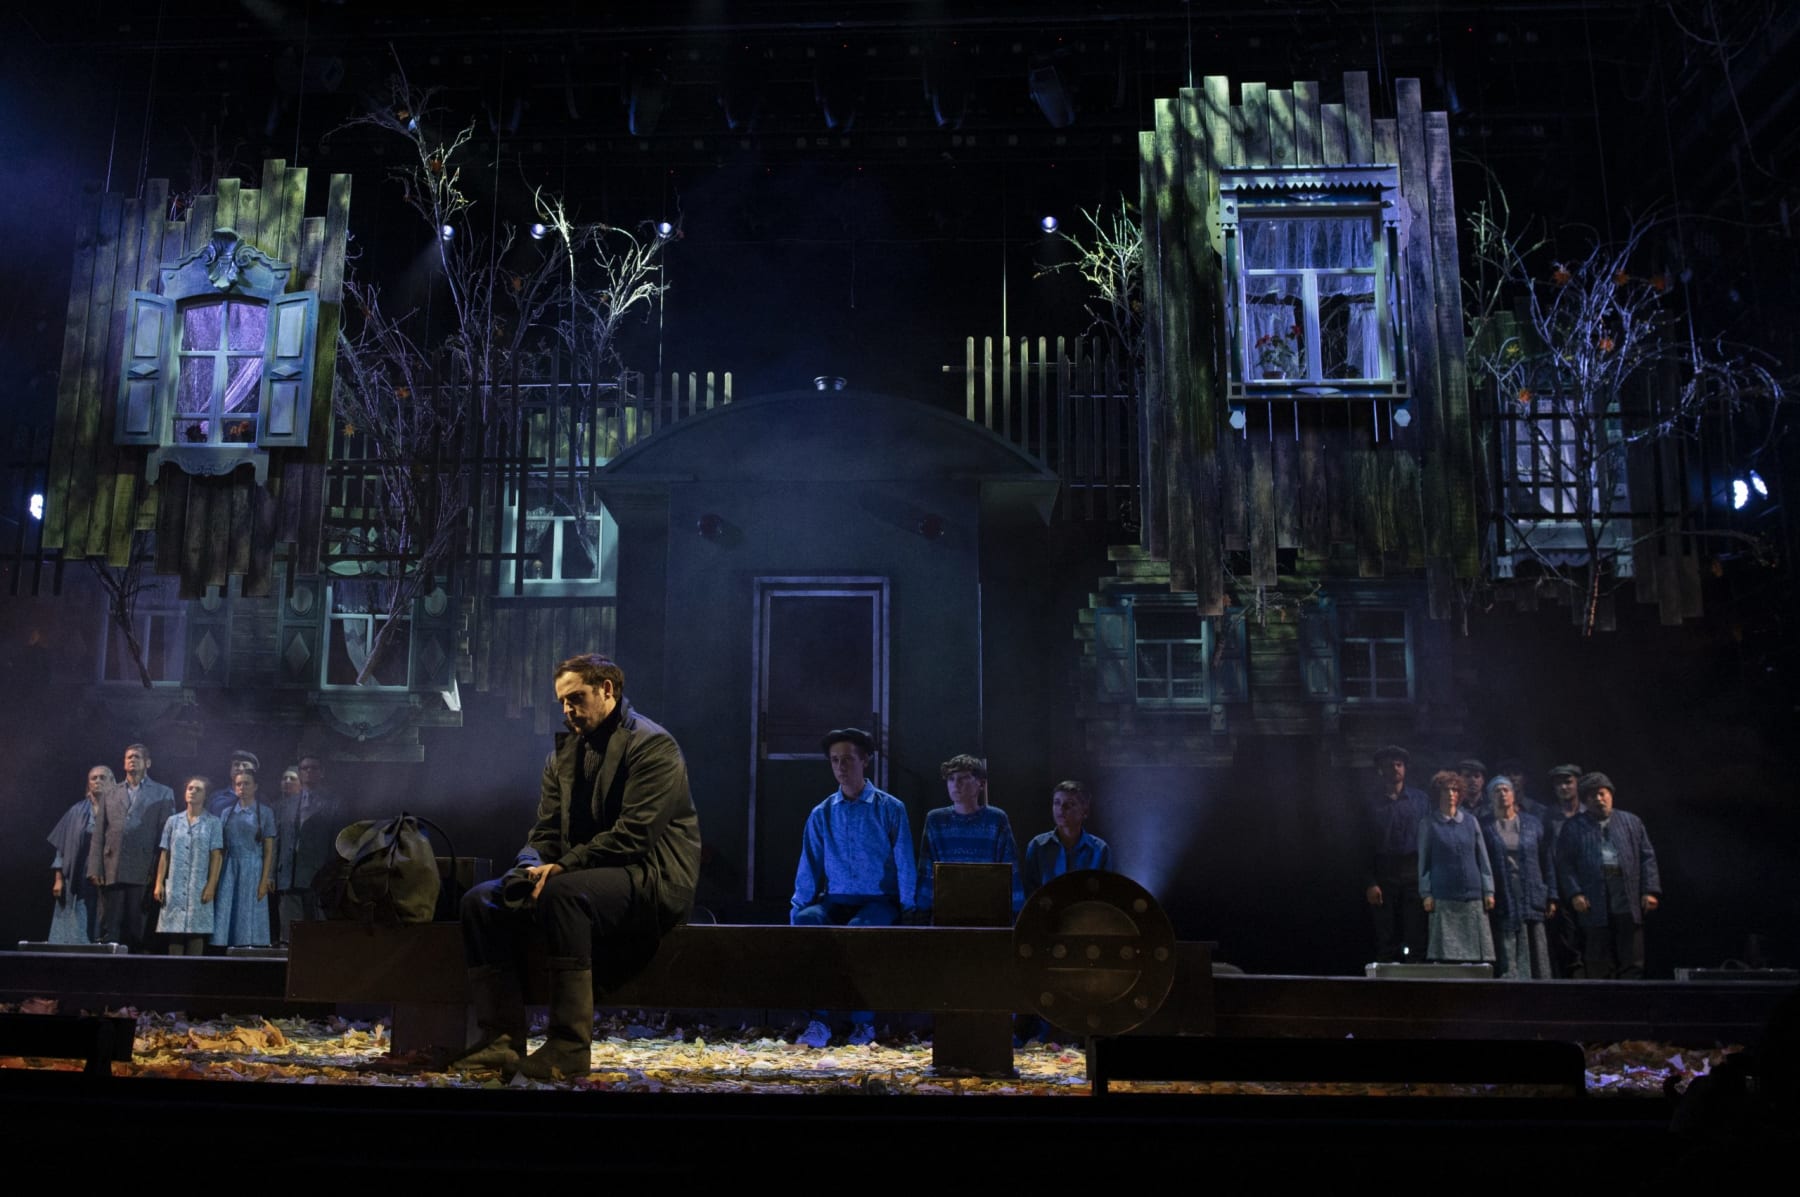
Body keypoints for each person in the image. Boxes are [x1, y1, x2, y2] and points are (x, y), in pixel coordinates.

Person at [458, 653, 702, 1080]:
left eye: (576, 698)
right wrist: (527, 868)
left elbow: (634, 835)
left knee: (563, 894)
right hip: (585, 875)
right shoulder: (564, 754)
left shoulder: (652, 745)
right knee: (480, 902)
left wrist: (562, 868)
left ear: (607, 690)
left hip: (653, 877)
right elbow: (546, 830)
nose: (568, 710)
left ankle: (569, 1046)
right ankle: (500, 1041)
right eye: (562, 702)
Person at [790, 728, 916, 927]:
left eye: (847, 759)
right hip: (835, 899)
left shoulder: (890, 808)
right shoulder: (822, 813)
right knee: (806, 919)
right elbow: (809, 865)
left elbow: (905, 863)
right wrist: (797, 909)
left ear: (864, 760)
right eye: (835, 760)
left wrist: (909, 908)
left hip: (879, 900)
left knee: (859, 928)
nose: (841, 767)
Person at [1555, 771, 1661, 979]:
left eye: (1602, 793)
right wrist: (1575, 893)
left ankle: (1631, 994)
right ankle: (1603, 996)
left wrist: (1650, 890)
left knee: (1632, 958)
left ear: (1611, 794)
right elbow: (1565, 865)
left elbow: (1647, 857)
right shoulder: (1573, 826)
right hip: (1593, 898)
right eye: (1592, 796)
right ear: (1585, 801)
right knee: (1598, 959)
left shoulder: (1631, 822)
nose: (1598, 799)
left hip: (1626, 895)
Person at [914, 755, 1025, 919]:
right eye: (951, 779)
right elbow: (926, 871)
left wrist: (1016, 914)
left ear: (981, 783)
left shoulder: (995, 820)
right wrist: (922, 914)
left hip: (989, 910)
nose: (955, 784)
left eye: (963, 778)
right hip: (946, 910)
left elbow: (1011, 869)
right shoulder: (936, 820)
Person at [89, 743, 176, 949]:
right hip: (113, 867)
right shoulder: (111, 793)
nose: (132, 760)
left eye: (137, 757)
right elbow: (99, 833)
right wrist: (95, 868)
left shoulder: (163, 792)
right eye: (128, 757)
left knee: (137, 928)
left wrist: (160, 874)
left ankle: (137, 964)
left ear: (148, 763)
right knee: (111, 926)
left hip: (143, 868)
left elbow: (166, 838)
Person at [1478, 776, 1555, 979]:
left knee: (1535, 943)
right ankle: (1511, 982)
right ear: (1490, 797)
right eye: (1497, 791)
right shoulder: (1484, 827)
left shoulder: (1532, 823)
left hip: (1531, 890)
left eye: (1506, 790)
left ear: (1513, 794)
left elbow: (1546, 860)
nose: (1502, 794)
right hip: (1503, 891)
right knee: (1507, 940)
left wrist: (1552, 895)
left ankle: (1539, 985)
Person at [1418, 769, 1495, 964]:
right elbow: (1424, 862)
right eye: (1446, 790)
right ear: (1438, 793)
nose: (1451, 794)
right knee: (1447, 956)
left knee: (1476, 956)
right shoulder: (1429, 823)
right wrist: (1426, 893)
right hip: (1444, 896)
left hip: (1472, 895)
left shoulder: (1470, 821)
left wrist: (1488, 891)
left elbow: (1483, 858)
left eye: (1455, 790)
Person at [1361, 745, 1429, 963]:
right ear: (1381, 769)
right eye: (1390, 765)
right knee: (1386, 935)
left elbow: (1429, 839)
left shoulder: (1420, 800)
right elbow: (1363, 844)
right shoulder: (1370, 802)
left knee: (1416, 933)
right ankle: (1386, 980)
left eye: (1399, 765)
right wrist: (1370, 882)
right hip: (1384, 871)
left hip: (1413, 869)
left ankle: (1416, 978)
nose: (1395, 769)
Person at [272, 755, 338, 944]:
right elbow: (278, 840)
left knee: (316, 931)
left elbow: (335, 840)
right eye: (304, 768)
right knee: (289, 934)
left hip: (317, 874)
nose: (308, 771)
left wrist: (331, 873)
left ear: (322, 772)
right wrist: (272, 874)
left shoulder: (333, 803)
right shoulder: (286, 804)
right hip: (289, 874)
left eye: (313, 768)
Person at [154, 776, 223, 955]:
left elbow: (216, 856)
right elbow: (165, 854)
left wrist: (211, 885)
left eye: (198, 789)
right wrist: (159, 883)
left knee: (196, 933)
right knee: (174, 934)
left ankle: (194, 970)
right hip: (175, 884)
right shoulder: (173, 821)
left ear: (205, 795)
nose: (192, 792)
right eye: (190, 788)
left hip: (198, 885)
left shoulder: (213, 822)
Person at [210, 768, 276, 949]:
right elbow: (220, 848)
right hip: (230, 868)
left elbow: (269, 850)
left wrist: (264, 880)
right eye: (238, 784)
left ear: (255, 786)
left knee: (248, 910)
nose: (242, 787)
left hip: (253, 868)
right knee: (227, 909)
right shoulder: (226, 813)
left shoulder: (265, 813)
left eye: (246, 784)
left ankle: (248, 949)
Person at [47, 765, 111, 944]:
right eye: (93, 778)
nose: (97, 781)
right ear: (88, 783)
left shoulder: (117, 811)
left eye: (102, 777)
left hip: (103, 874)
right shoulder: (76, 811)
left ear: (112, 782)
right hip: (76, 873)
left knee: (99, 916)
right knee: (74, 918)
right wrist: (58, 879)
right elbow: (62, 847)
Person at [1021, 780, 1113, 894]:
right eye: (1057, 803)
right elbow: (1030, 893)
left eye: (1070, 804)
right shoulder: (1038, 846)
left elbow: (1105, 893)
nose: (1061, 808)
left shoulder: (1100, 849)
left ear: (1085, 811)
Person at [1542, 762, 1586, 977]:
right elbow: (1546, 855)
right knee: (1567, 940)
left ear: (1577, 783)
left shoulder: (1588, 812)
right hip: (1560, 885)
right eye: (1558, 784)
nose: (1563, 787)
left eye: (1568, 782)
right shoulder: (1548, 816)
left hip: (1589, 883)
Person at [208, 749, 260, 817]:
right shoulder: (216, 797)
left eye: (245, 765)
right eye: (236, 764)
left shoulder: (261, 800)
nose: (240, 768)